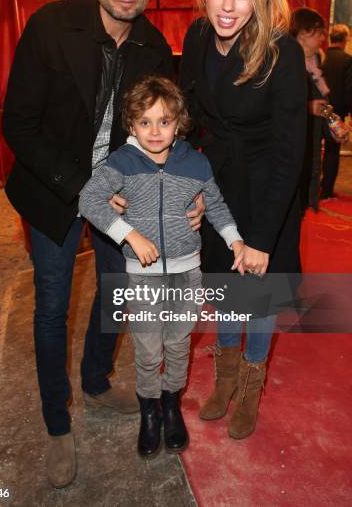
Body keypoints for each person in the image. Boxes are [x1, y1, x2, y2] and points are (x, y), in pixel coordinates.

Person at [3, 0, 203, 488]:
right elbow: (19, 125)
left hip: (120, 198)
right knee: (53, 304)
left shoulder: (154, 46)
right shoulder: (50, 27)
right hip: (52, 191)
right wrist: (78, 188)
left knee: (118, 294)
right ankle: (56, 422)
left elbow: (169, 130)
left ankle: (95, 380)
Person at [180, 0, 307, 439]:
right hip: (219, 188)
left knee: (257, 297)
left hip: (266, 195)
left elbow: (289, 153)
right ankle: (225, 379)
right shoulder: (194, 37)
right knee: (225, 290)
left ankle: (250, 388)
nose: (228, 5)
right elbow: (188, 118)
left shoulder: (282, 53)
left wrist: (260, 238)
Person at [79, 75, 244, 458]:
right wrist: (128, 235)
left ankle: (171, 407)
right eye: (145, 122)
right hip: (142, 277)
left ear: (178, 123)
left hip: (187, 274)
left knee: (178, 345)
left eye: (164, 121)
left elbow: (215, 205)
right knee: (148, 350)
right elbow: (89, 199)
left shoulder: (196, 162)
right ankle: (149, 411)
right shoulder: (120, 162)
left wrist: (234, 238)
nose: (155, 131)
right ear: (131, 124)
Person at [290, 8, 329, 212]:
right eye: (319, 32)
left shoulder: (314, 61)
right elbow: (273, 102)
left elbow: (319, 98)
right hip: (292, 143)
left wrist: (331, 122)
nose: (322, 38)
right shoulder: (286, 58)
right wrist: (307, 107)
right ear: (304, 33)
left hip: (310, 140)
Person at [320, 23, 352, 200]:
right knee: (332, 152)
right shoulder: (348, 60)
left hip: (317, 111)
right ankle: (327, 190)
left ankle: (310, 186)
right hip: (336, 113)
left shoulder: (319, 57)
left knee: (313, 149)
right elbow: (349, 90)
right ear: (345, 40)